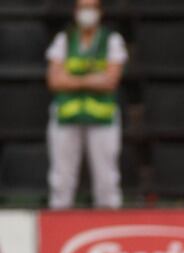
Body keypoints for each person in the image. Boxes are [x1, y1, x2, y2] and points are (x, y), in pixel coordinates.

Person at [45, 0, 126, 209]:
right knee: (61, 179)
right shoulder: (65, 39)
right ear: (75, 11)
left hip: (102, 118)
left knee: (106, 180)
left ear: (100, 11)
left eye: (91, 7)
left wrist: (73, 79)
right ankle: (59, 228)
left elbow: (111, 81)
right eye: (82, 7)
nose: (86, 12)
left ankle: (109, 225)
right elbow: (54, 80)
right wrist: (92, 79)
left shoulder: (111, 40)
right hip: (66, 116)